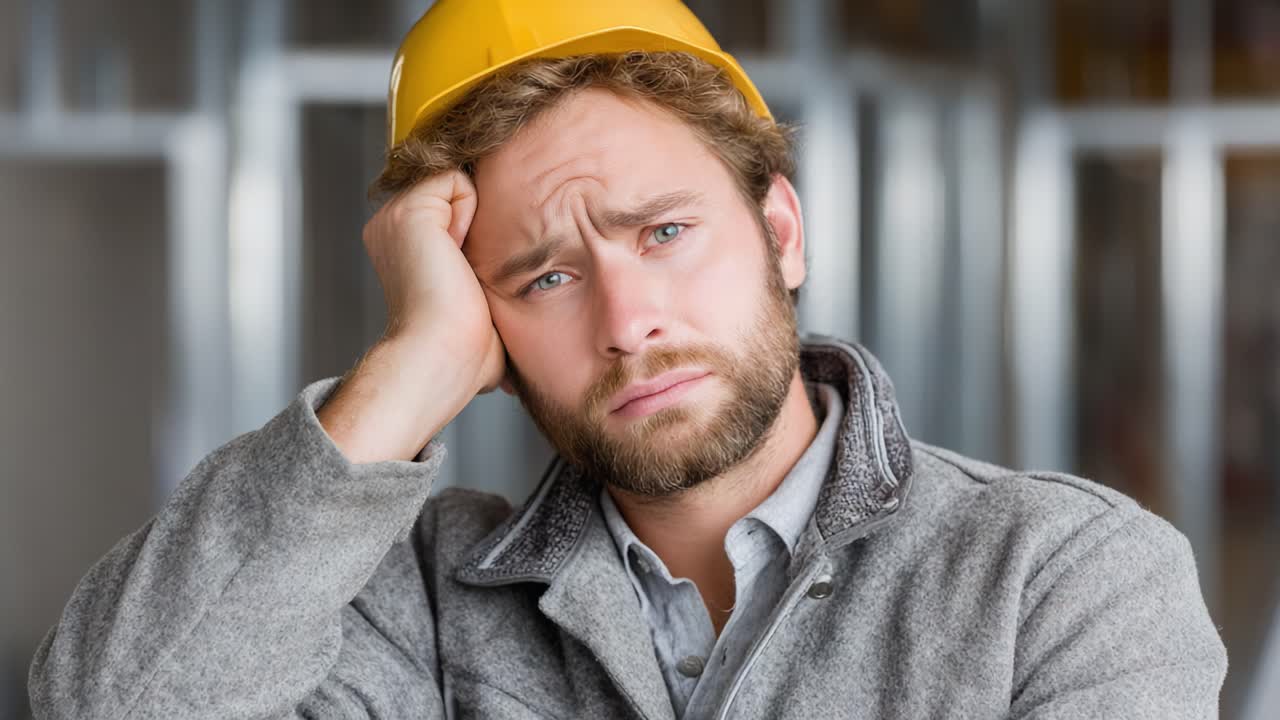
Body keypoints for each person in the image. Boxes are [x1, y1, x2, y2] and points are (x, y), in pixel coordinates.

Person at [29, 1, 1226, 718]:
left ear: (780, 230)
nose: (625, 318)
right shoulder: (421, 603)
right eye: (542, 277)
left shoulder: (1061, 578)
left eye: (663, 233)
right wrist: (405, 370)